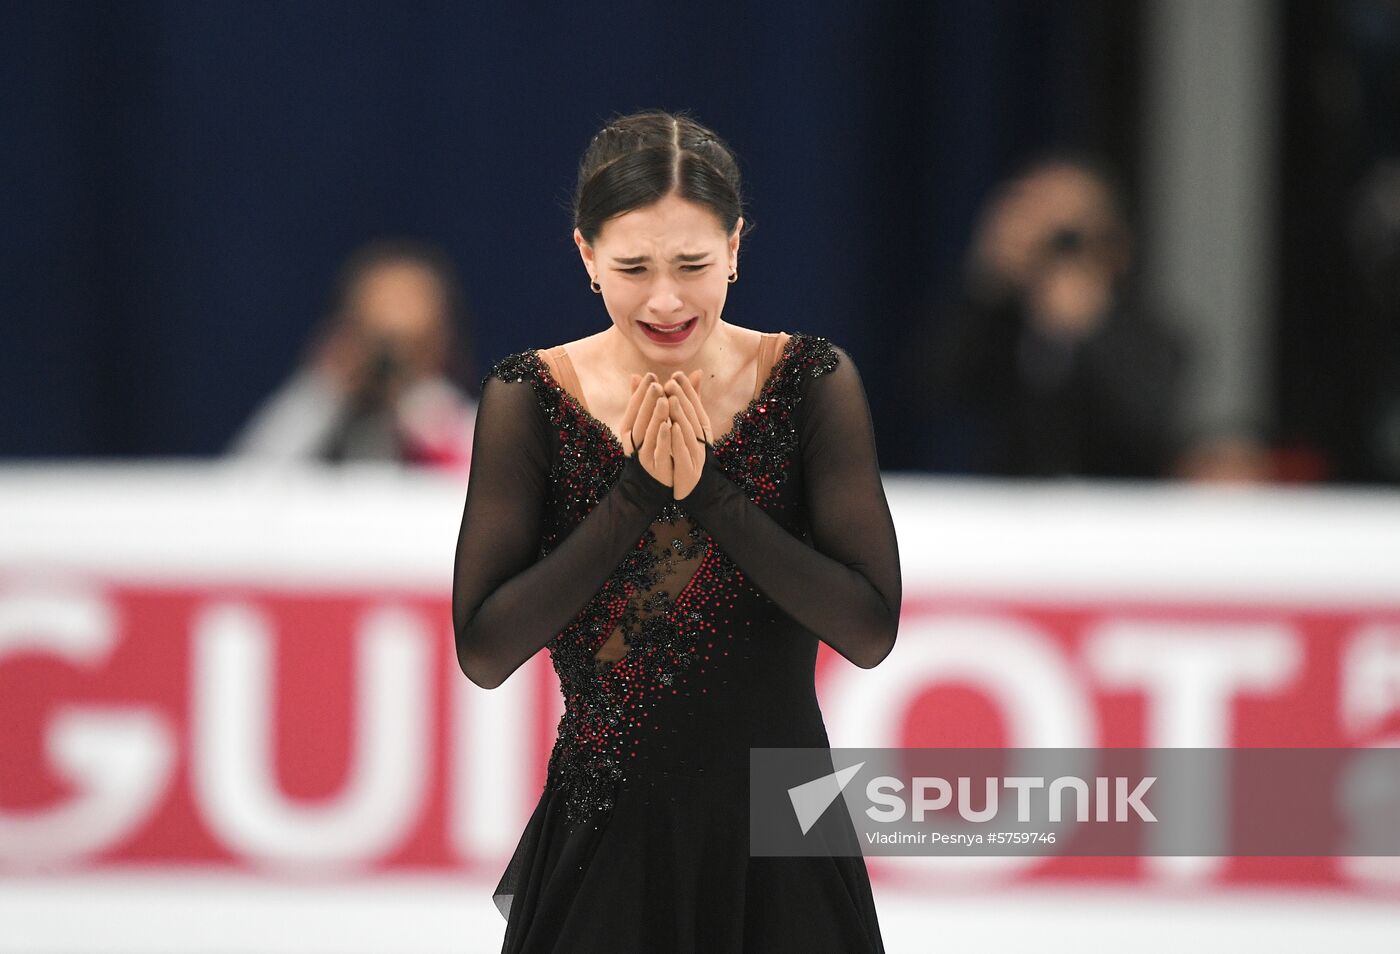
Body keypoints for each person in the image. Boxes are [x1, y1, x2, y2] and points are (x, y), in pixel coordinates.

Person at [452, 109, 901, 953]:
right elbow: (483, 649)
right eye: (633, 267)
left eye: (694, 263)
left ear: (736, 245)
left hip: (786, 829)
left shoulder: (811, 382)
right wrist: (633, 496)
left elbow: (869, 628)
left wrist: (711, 495)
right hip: (609, 827)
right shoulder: (531, 398)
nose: (666, 298)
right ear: (586, 257)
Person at [901, 152, 1193, 479]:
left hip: (1117, 515)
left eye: (1069, 241)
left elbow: (1148, 425)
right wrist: (987, 283)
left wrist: (1092, 328)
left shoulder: (1151, 337)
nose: (1055, 261)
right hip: (1008, 511)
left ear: (1116, 248)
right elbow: (931, 389)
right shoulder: (997, 325)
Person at [227, 238, 478, 472]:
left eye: (414, 343)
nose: (389, 356)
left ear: (442, 343)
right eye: (374, 335)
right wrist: (322, 392)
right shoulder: (316, 411)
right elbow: (241, 485)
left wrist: (418, 402)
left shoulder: (458, 428)